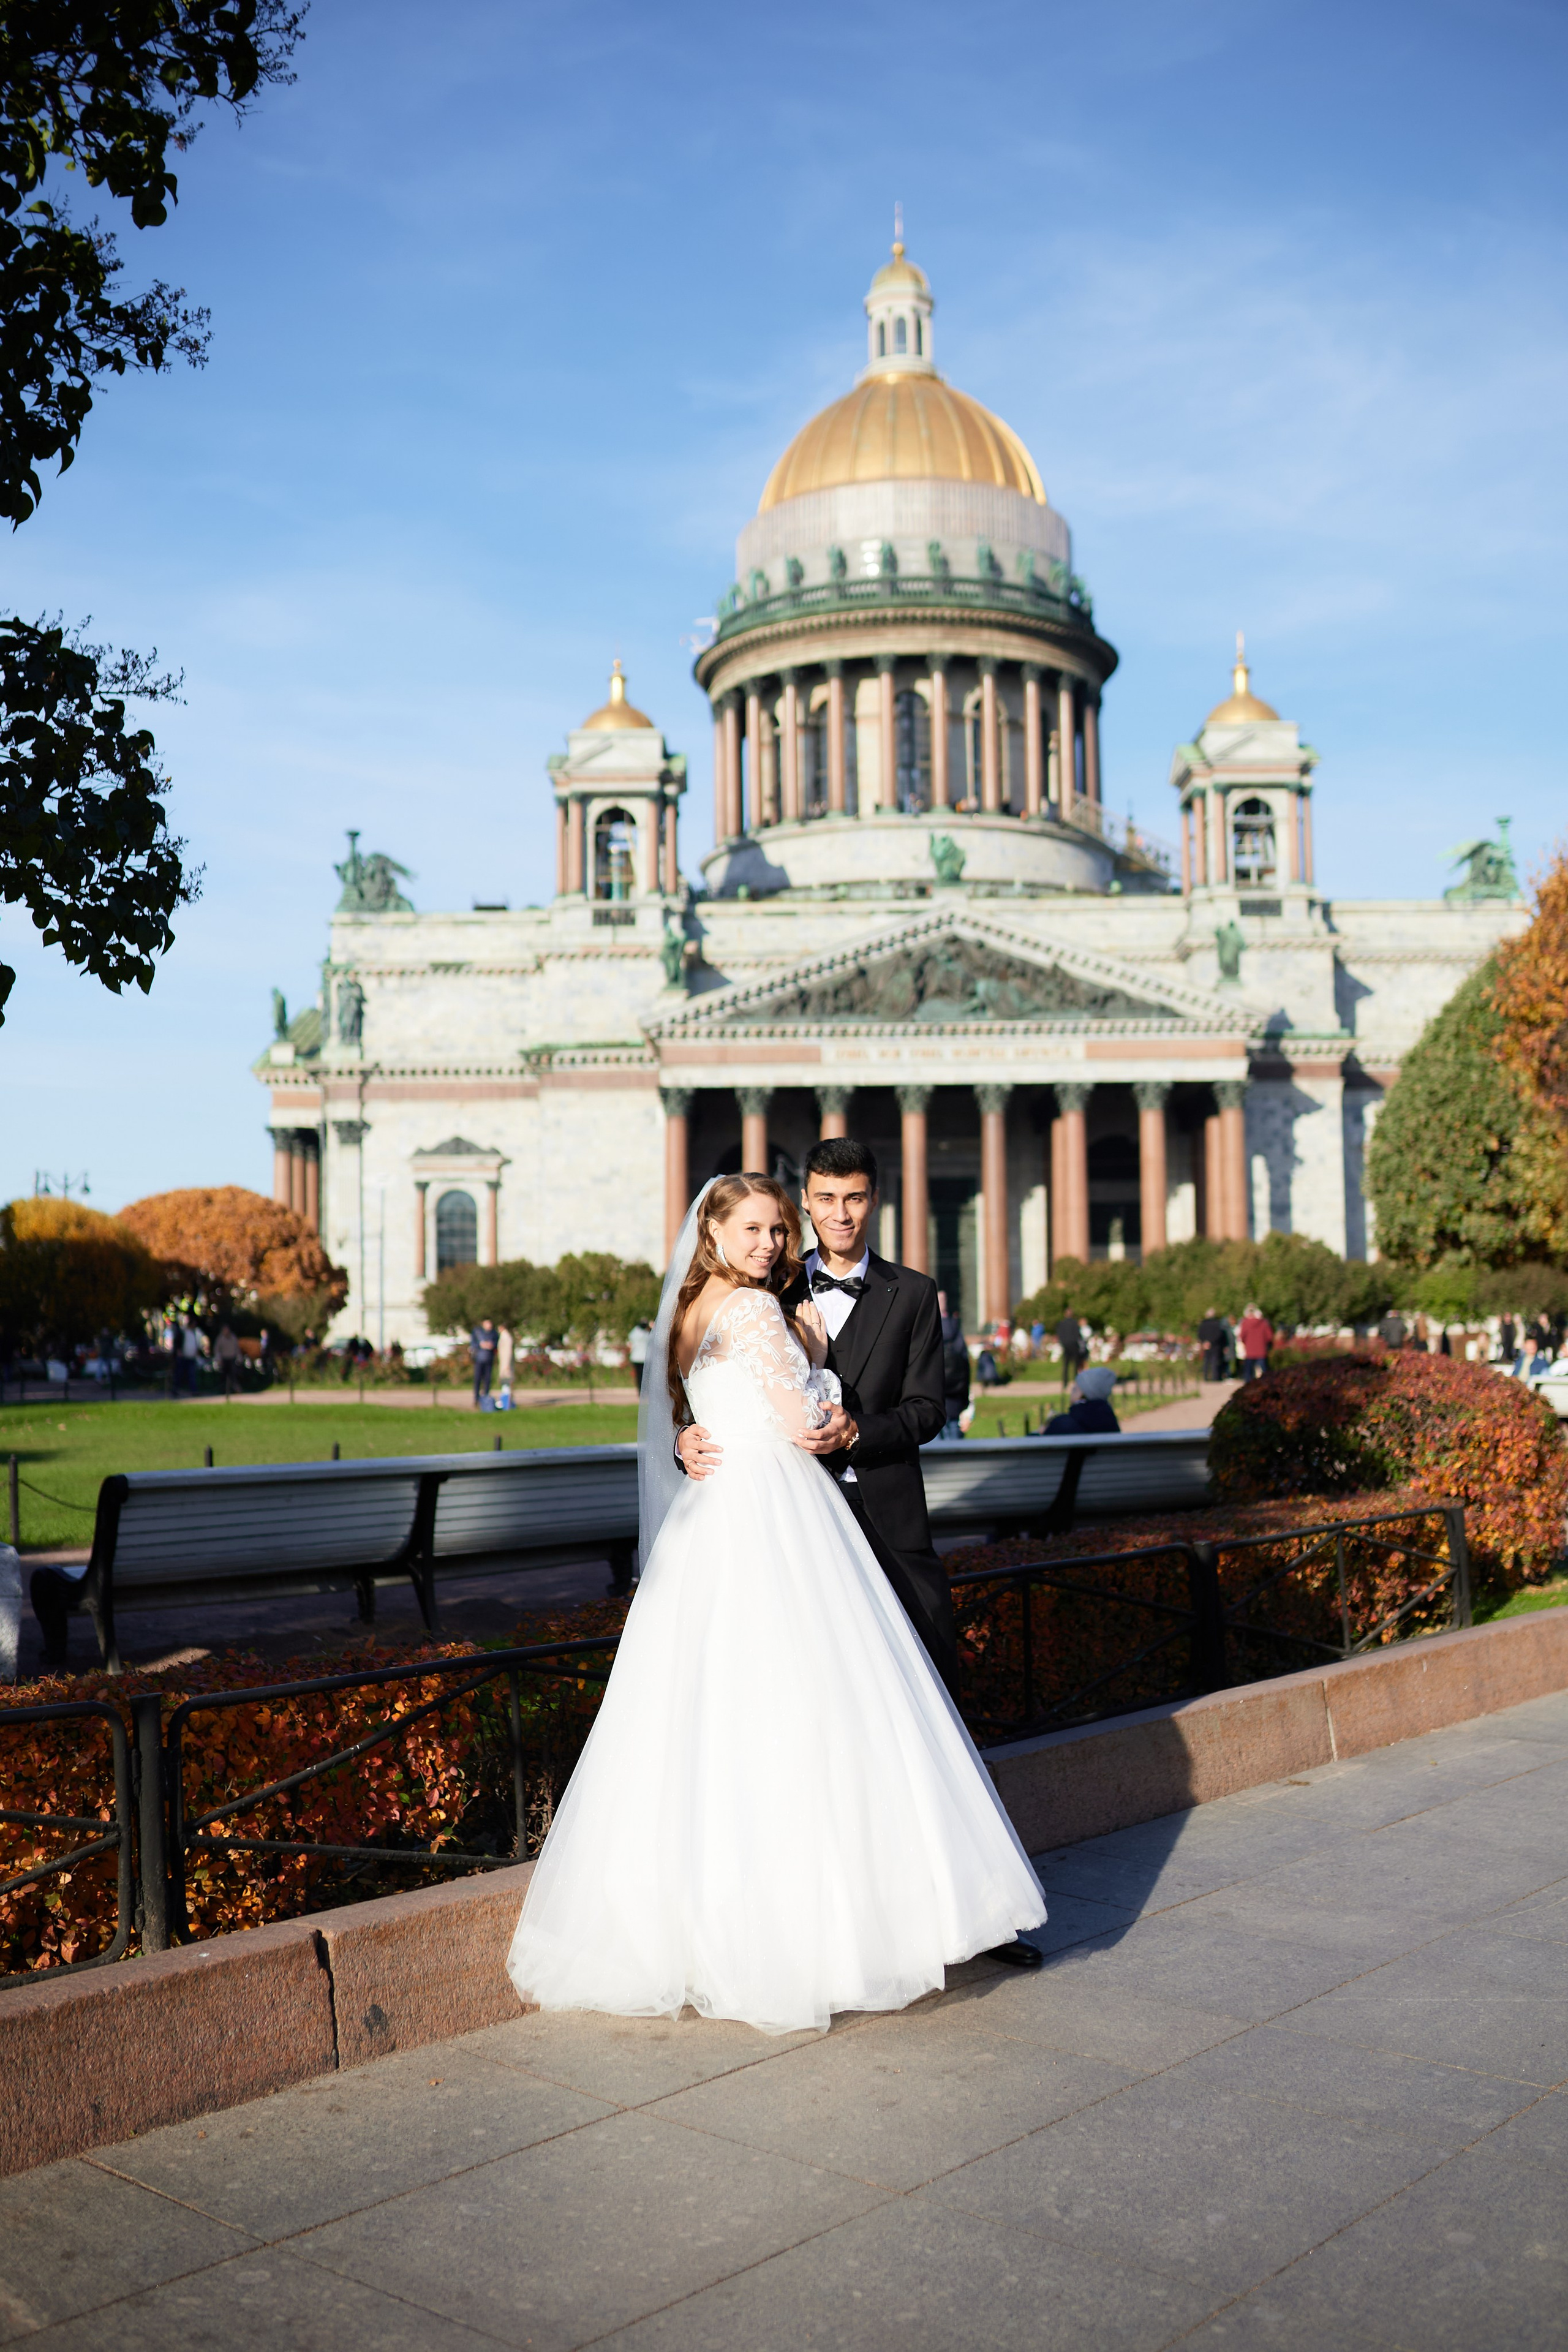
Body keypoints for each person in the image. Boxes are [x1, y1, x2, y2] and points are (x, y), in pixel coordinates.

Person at [506, 1169, 1046, 2035]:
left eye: (775, 1232)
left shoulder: (688, 1315)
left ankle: (706, 1932)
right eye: (754, 1229)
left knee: (705, 1723)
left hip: (712, 1527)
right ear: (713, 1232)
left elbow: (695, 1410)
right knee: (816, 1715)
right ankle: (835, 1931)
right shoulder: (756, 1310)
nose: (769, 1244)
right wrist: (819, 1369)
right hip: (779, 1516)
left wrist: (701, 1428)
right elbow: (802, 1422)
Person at [1047, 1365, 1121, 1435]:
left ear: (1082, 1394)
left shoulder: (1062, 1424)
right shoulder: (1111, 1424)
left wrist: (1040, 1432)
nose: (1071, 1392)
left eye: (1075, 1389)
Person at [937, 1289, 970, 1441]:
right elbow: (965, 1363)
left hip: (934, 1396)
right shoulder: (955, 1330)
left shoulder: (927, 1328)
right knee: (954, 1434)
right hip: (955, 1395)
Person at [1237, 1302, 1272, 1382]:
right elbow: (1269, 1337)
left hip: (1250, 1351)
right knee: (1265, 1372)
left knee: (1248, 1373)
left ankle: (1248, 1387)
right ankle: (1266, 1385)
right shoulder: (1264, 1323)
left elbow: (1242, 1337)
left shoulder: (1245, 1323)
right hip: (1261, 1350)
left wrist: (1247, 1343)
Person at [1055, 1306, 1085, 1392]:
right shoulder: (1074, 1323)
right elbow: (1078, 1335)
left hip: (1066, 1346)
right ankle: (1076, 1382)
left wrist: (1063, 1343)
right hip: (1073, 1345)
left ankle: (1065, 1383)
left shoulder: (1062, 1323)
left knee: (1066, 1365)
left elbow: (1060, 1335)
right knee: (1075, 1365)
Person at [1196, 1305, 1229, 1384]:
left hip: (1206, 1345)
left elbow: (1200, 1334)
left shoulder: (1203, 1324)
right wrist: (1212, 1342)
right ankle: (1215, 1377)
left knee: (1207, 1361)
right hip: (1215, 1345)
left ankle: (1206, 1377)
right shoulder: (1217, 1323)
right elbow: (1219, 1335)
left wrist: (1205, 1342)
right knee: (1215, 1361)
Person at [470, 1316, 498, 1406]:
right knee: (478, 1379)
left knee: (488, 1380)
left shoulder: (494, 1334)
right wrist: (480, 1345)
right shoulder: (477, 1332)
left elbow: (496, 1344)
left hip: (489, 1359)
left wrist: (492, 1346)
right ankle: (476, 1399)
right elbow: (473, 1344)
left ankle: (486, 1398)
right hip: (479, 1359)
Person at [214, 1324, 241, 1397]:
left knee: (233, 1375)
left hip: (232, 1359)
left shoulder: (233, 1338)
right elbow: (217, 1350)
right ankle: (222, 1390)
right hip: (224, 1359)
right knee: (223, 1376)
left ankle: (233, 1389)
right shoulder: (220, 1338)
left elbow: (237, 1348)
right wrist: (218, 1359)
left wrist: (239, 1357)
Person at [627, 1319, 652, 1394]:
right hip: (645, 1358)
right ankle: (645, 1391)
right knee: (645, 1376)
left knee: (639, 1376)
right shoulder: (646, 1334)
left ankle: (640, 1391)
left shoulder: (634, 1333)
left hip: (636, 1358)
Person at [496, 1322, 515, 1409]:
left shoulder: (506, 1337)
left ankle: (507, 1403)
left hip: (506, 1364)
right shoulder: (503, 1336)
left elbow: (508, 1352)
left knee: (506, 1381)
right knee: (505, 1382)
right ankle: (506, 1401)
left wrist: (507, 1365)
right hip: (504, 1363)